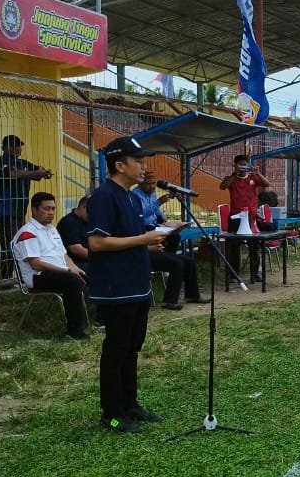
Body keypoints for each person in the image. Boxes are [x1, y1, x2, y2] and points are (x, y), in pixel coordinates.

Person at [87, 137, 167, 434]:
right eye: (139, 161)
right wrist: (142, 241)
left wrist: (148, 246)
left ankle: (131, 404)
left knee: (133, 348)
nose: (144, 167)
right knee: (116, 349)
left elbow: (126, 239)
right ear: (120, 165)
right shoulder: (104, 196)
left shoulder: (130, 197)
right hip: (117, 287)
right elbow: (97, 242)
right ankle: (112, 412)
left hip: (137, 284)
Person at [12, 192, 89, 340]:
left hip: (60, 272)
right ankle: (74, 332)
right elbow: (36, 264)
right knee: (72, 281)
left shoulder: (52, 229)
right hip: (38, 277)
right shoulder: (27, 232)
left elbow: (64, 255)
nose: (51, 213)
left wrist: (74, 267)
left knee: (95, 271)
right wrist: (67, 270)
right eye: (46, 209)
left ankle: (102, 319)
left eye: (53, 209)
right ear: (34, 210)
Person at [137, 172, 203, 310]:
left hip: (156, 232)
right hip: (144, 238)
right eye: (148, 183)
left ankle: (192, 295)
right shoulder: (135, 196)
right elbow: (141, 215)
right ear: (140, 183)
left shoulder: (153, 194)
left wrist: (169, 223)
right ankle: (169, 301)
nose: (152, 186)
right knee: (177, 263)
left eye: (153, 184)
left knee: (188, 260)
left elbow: (158, 215)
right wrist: (157, 203)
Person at [0, 134, 52, 280]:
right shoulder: (2, 162)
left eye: (19, 145)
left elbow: (40, 171)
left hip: (19, 210)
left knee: (19, 245)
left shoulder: (22, 163)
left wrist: (42, 173)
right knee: (10, 246)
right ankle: (5, 281)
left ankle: (19, 278)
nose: (17, 148)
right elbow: (12, 174)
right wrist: (35, 173)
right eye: (13, 145)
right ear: (4, 147)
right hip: (5, 210)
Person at [219, 154, 271, 283]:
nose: (243, 167)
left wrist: (258, 173)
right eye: (240, 164)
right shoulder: (231, 179)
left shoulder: (253, 178)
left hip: (251, 217)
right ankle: (232, 274)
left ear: (248, 165)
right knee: (233, 246)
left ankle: (255, 274)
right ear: (235, 165)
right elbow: (222, 186)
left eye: (245, 164)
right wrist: (234, 174)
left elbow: (267, 183)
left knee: (255, 245)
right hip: (236, 216)